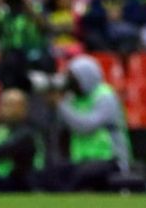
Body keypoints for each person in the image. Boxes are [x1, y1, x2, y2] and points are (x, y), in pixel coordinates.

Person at [44, 55, 132, 191]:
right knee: (54, 170)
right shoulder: (72, 98)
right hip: (80, 158)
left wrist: (60, 105)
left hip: (109, 158)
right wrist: (53, 105)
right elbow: (58, 126)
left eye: (73, 78)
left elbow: (85, 127)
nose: (70, 83)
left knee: (82, 175)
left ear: (85, 77)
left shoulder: (105, 96)